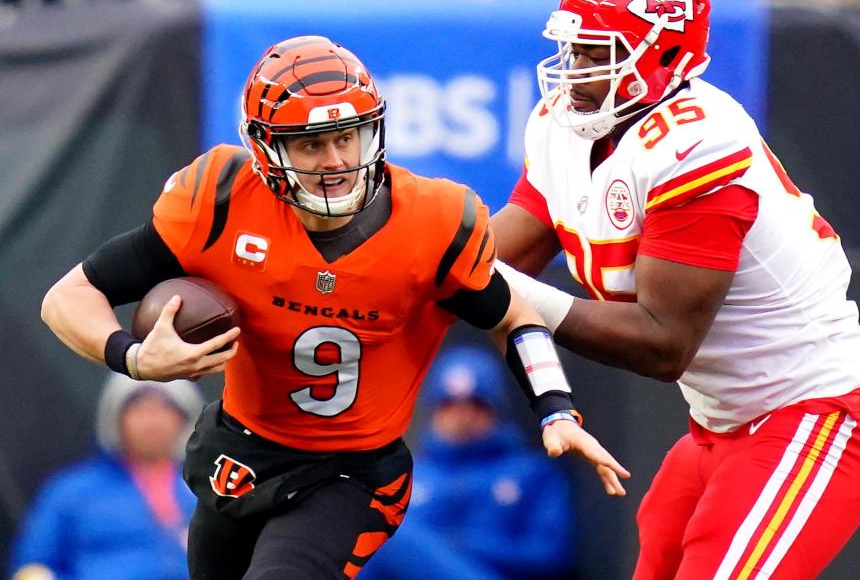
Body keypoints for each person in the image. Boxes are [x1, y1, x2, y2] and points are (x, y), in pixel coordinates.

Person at [40, 35, 629, 580]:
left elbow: (513, 316)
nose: (335, 159)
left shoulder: (433, 222)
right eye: (311, 143)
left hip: (349, 472)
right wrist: (136, 358)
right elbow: (66, 297)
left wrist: (555, 409)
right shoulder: (219, 199)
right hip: (240, 451)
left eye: (347, 136)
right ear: (267, 149)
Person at [490, 0, 860, 580]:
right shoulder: (564, 125)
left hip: (820, 414)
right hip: (723, 425)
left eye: (594, 54)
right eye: (574, 49)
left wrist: (507, 293)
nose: (573, 71)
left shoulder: (698, 144)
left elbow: (663, 344)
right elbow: (496, 252)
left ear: (662, 54)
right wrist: (414, 255)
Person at [359, 344, 576, 580]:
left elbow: (551, 556)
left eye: (475, 404)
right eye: (449, 405)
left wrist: (462, 544)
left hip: (492, 574)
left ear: (496, 410)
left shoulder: (531, 473)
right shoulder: (408, 475)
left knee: (392, 537)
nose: (462, 417)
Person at [8, 375, 203, 580]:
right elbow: (29, 568)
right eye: (138, 407)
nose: (152, 420)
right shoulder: (72, 492)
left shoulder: (210, 489)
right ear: (115, 417)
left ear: (184, 417)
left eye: (166, 408)